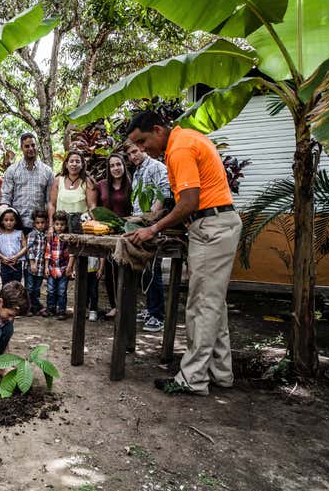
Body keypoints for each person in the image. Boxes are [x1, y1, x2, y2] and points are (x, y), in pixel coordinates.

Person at [126, 111, 242, 396]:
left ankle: (193, 379)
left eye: (142, 141)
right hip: (217, 224)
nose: (141, 149)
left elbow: (189, 202)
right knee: (214, 305)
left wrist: (154, 229)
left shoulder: (179, 148)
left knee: (201, 305)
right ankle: (221, 372)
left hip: (211, 227)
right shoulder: (187, 139)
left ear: (157, 130)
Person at [125, 140, 171, 333]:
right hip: (139, 224)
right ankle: (150, 308)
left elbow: (163, 193)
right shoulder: (137, 171)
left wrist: (151, 219)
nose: (133, 156)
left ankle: (157, 315)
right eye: (129, 154)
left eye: (135, 151)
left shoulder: (156, 166)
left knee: (154, 270)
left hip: (152, 225)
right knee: (145, 269)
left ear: (142, 149)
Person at [96, 153, 133, 319]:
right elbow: (95, 206)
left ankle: (125, 306)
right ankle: (114, 306)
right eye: (112, 166)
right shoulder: (102, 185)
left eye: (118, 165)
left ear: (123, 166)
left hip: (127, 233)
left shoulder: (131, 184)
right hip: (106, 232)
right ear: (108, 169)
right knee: (110, 270)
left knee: (125, 269)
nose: (116, 168)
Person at [0, 133, 54, 235]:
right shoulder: (12, 170)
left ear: (37, 146)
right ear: (21, 148)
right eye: (27, 146)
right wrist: (5, 224)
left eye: (33, 145)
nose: (31, 148)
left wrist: (50, 225)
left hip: (39, 225)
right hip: (17, 224)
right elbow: (6, 197)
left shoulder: (47, 171)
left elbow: (50, 201)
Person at [47, 149, 97, 226]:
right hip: (60, 226)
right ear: (66, 165)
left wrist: (94, 225)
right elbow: (52, 205)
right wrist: (51, 225)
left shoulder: (87, 182)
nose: (74, 164)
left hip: (81, 226)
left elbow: (92, 206)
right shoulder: (58, 180)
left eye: (77, 161)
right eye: (71, 161)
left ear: (82, 165)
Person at [44, 210, 74, 319]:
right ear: (54, 225)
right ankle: (50, 309)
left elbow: (71, 254)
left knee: (62, 291)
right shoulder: (51, 237)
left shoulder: (67, 238)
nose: (59, 227)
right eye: (57, 224)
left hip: (63, 269)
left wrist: (70, 267)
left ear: (66, 225)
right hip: (52, 268)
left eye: (62, 224)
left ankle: (61, 311)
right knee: (50, 290)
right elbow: (47, 253)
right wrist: (46, 267)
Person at [0, 206, 27, 285]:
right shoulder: (0, 235)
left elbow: (25, 247)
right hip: (4, 264)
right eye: (6, 220)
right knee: (5, 285)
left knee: (16, 285)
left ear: (15, 221)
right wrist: (3, 258)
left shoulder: (19, 233)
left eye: (11, 220)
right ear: (2, 221)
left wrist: (16, 257)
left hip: (17, 264)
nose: (9, 222)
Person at [25, 210, 48, 315]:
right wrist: (32, 263)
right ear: (34, 223)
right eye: (38, 223)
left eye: (42, 222)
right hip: (32, 266)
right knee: (29, 287)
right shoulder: (32, 234)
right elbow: (29, 249)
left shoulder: (45, 235)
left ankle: (35, 307)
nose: (40, 225)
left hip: (40, 266)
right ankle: (28, 307)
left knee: (37, 288)